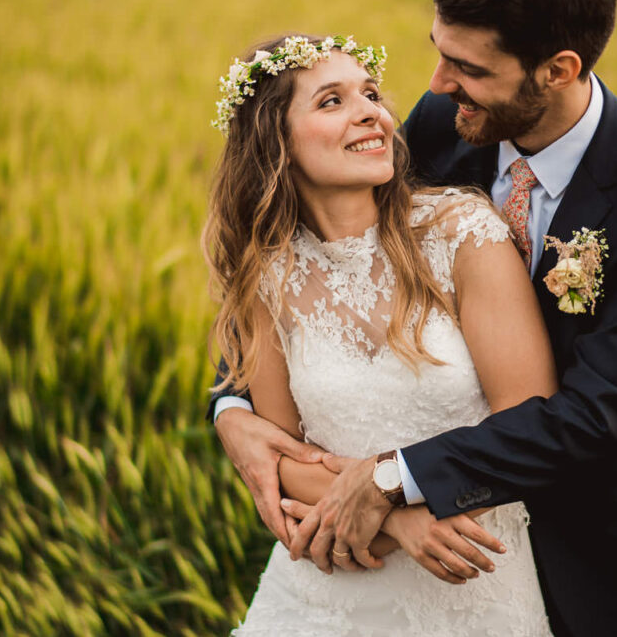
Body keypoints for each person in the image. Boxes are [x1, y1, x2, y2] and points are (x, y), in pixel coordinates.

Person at [211, 0, 617, 637]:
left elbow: (594, 414)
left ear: (558, 69)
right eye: (439, 55)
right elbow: (312, 271)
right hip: (388, 564)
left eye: (471, 69)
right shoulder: (441, 122)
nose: (435, 87)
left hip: (598, 546)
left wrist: (392, 482)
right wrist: (232, 413)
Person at [204, 33, 557, 635]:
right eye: (331, 101)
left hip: (472, 579)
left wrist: (394, 493)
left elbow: (530, 419)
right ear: (276, 145)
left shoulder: (463, 233)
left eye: (370, 93)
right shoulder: (265, 276)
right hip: (330, 585)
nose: (373, 110)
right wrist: (398, 519)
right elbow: (281, 457)